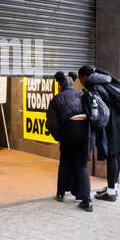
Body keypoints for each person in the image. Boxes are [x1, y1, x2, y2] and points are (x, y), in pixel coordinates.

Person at [78, 66, 120, 202]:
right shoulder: (107, 80)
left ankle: (110, 193)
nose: (80, 81)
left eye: (80, 78)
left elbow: (99, 110)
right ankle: (113, 188)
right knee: (116, 155)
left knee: (112, 155)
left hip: (114, 123)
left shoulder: (95, 87)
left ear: (85, 77)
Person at [46, 71, 93, 212]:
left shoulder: (56, 99)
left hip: (68, 131)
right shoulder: (82, 95)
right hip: (85, 132)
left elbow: (52, 124)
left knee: (65, 163)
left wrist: (60, 137)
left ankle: (61, 194)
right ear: (73, 83)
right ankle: (86, 200)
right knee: (82, 166)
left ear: (60, 85)